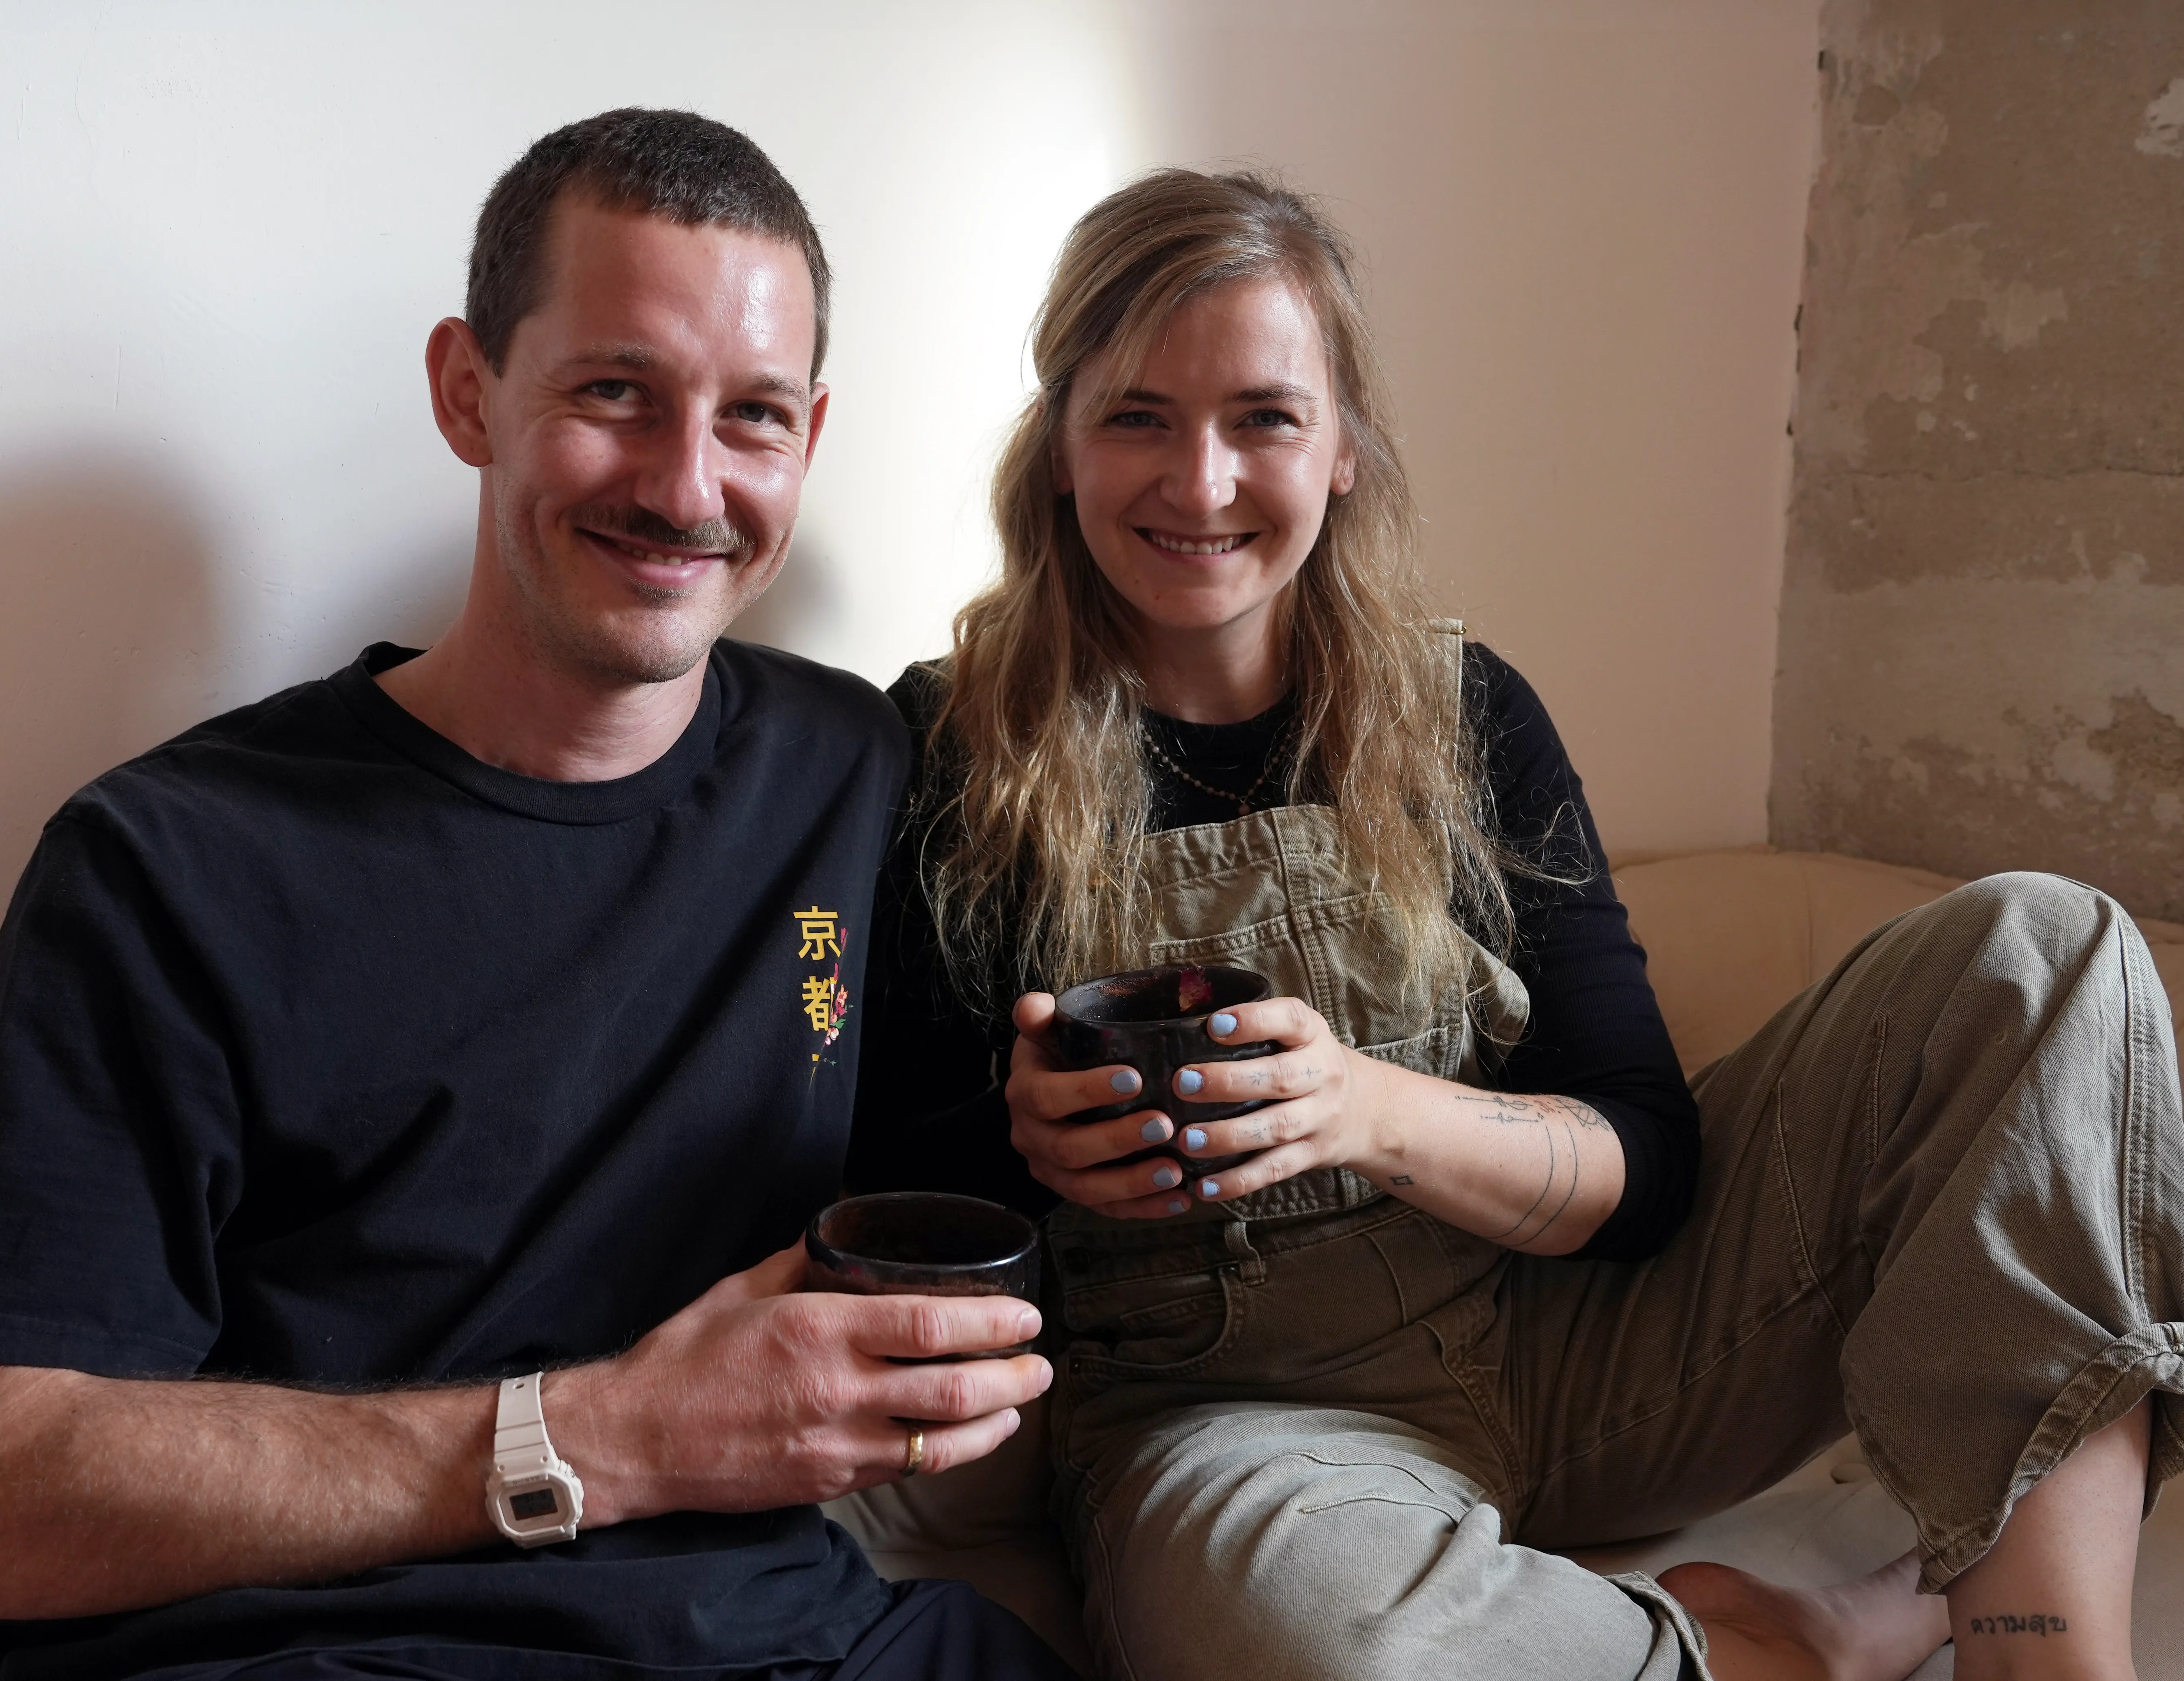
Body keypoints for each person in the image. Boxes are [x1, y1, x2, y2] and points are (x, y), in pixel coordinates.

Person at [852, 167, 2184, 1681]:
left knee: (2046, 947)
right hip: (1228, 1433)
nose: (1201, 482)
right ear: (1060, 445)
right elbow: (886, 1209)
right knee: (1321, 1650)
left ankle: (2044, 1657)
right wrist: (1017, 1150)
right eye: (1137, 416)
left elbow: (1647, 1172)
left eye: (1265, 418)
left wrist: (1359, 1107)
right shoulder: (945, 752)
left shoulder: (1469, 716)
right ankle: (1808, 1639)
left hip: (1581, 1349)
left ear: (1344, 447)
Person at [0, 109, 1076, 1681]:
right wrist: (606, 1440)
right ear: (468, 391)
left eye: (753, 418)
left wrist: (1066, 1133)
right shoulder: (170, 862)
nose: (684, 485)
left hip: (786, 1638)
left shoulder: (843, 760)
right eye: (614, 394)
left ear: (810, 438)